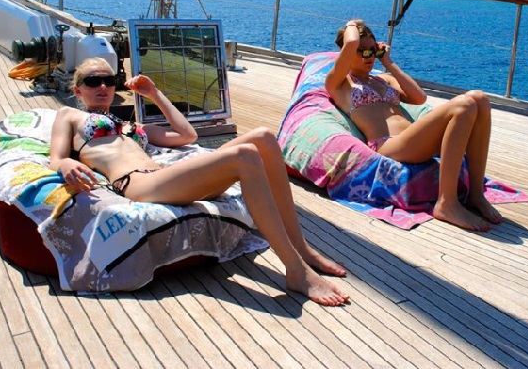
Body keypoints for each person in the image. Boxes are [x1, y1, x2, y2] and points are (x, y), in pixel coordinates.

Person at [50, 58, 349, 306]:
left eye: (109, 80)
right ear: (78, 89)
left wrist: (155, 94)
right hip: (138, 185)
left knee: (264, 137)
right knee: (245, 155)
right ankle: (295, 270)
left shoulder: (131, 125)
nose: (103, 86)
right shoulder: (71, 116)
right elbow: (56, 158)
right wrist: (66, 164)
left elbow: (187, 135)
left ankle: (302, 248)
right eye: (93, 81)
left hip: (167, 179)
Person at [325, 19, 503, 232]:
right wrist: (353, 23)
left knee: (479, 98)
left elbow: (419, 97)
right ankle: (446, 203)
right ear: (346, 52)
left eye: (373, 50)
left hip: (415, 140)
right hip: (390, 145)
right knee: (464, 104)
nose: (369, 56)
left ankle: (476, 194)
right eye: (361, 51)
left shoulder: (384, 80)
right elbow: (351, 42)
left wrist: (388, 62)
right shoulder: (339, 83)